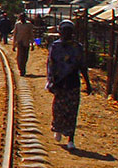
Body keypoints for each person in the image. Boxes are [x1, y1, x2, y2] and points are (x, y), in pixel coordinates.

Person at [46, 20, 92, 150]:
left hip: (72, 83)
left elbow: (83, 66)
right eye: (64, 31)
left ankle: (71, 138)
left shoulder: (77, 47)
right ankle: (58, 129)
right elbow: (50, 65)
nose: (67, 34)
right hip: (59, 83)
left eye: (69, 31)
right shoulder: (55, 46)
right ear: (60, 32)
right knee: (58, 109)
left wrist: (87, 83)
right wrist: (50, 81)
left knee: (72, 111)